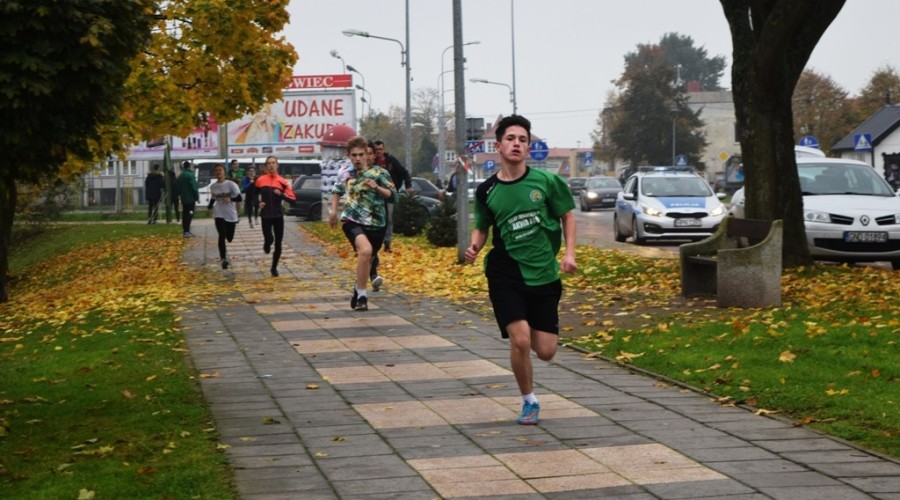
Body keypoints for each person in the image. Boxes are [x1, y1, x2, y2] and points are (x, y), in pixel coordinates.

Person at [464, 115, 577, 426]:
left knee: (546, 351)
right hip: (505, 271)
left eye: (523, 140)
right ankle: (529, 400)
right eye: (511, 138)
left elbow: (568, 216)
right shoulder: (487, 190)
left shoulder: (547, 182)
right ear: (499, 146)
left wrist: (569, 253)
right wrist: (474, 246)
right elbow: (482, 227)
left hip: (543, 272)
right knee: (521, 340)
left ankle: (532, 373)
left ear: (528, 148)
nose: (516, 143)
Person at [329, 136, 396, 311]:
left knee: (368, 259)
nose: (358, 158)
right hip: (352, 220)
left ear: (367, 154)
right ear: (349, 156)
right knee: (365, 251)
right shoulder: (345, 173)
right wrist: (333, 211)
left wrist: (377, 187)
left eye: (361, 154)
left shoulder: (380, 173)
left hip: (377, 223)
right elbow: (336, 191)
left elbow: (393, 195)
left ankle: (358, 286)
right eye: (354, 155)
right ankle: (362, 297)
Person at [255, 156, 296, 277]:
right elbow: (253, 195)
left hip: (278, 215)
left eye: (273, 163)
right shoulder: (260, 180)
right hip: (266, 215)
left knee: (278, 243)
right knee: (269, 238)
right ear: (266, 166)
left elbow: (293, 200)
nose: (271, 165)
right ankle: (267, 243)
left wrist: (281, 194)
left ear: (277, 165)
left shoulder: (282, 181)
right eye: (269, 163)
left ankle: (274, 267)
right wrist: (257, 203)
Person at [373, 140, 412, 252]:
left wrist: (408, 185)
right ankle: (373, 242)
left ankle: (387, 243)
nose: (378, 152)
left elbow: (404, 172)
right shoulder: (371, 162)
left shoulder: (391, 161)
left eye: (380, 149)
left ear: (384, 149)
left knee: (388, 219)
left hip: (389, 194)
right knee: (374, 218)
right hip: (374, 195)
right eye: (376, 150)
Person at [207, 164, 241, 269]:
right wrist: (209, 208)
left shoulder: (231, 184)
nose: (218, 172)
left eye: (220, 170)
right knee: (221, 235)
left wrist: (230, 199)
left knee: (229, 238)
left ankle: (227, 240)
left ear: (224, 172)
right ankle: (223, 259)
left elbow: (239, 198)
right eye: (216, 170)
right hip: (219, 213)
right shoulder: (213, 186)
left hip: (230, 213)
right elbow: (213, 198)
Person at [176, 161, 200, 237]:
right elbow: (194, 187)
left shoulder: (181, 175)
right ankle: (187, 231)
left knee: (184, 214)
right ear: (190, 166)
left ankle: (185, 231)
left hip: (184, 198)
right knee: (190, 214)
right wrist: (197, 197)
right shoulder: (191, 175)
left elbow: (178, 187)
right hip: (190, 198)